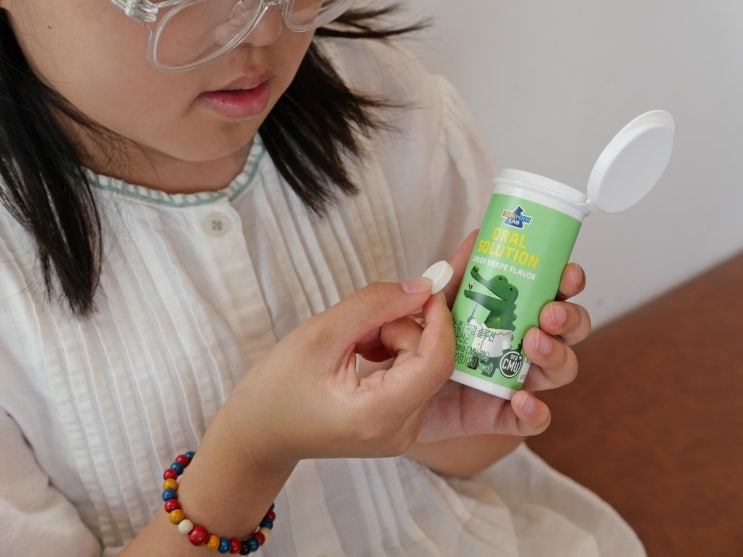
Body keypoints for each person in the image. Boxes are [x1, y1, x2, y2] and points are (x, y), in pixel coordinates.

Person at [0, 1, 643, 556]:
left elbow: (473, 455)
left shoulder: (394, 106)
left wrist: (442, 404)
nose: (261, 30)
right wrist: (252, 452)